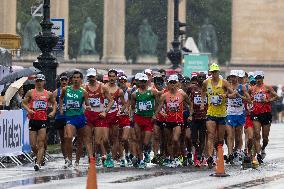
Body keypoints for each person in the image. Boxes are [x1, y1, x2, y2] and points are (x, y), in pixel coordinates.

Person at [201, 63, 234, 168]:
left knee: (220, 139)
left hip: (222, 114)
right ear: (210, 72)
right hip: (211, 113)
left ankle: (217, 153)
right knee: (210, 135)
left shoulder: (224, 82)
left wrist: (226, 95)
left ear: (218, 72)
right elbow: (202, 92)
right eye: (212, 72)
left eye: (216, 72)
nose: (214, 74)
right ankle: (210, 157)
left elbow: (233, 94)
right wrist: (202, 103)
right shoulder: (206, 82)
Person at [22, 74, 56, 171]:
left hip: (43, 120)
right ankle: (39, 157)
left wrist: (53, 111)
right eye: (37, 81)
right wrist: (28, 110)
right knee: (33, 145)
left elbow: (54, 103)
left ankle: (38, 163)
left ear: (44, 82)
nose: (39, 83)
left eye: (41, 81)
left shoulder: (48, 94)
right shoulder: (30, 92)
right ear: (35, 82)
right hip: (33, 120)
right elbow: (23, 103)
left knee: (41, 143)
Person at [155, 75, 191, 167]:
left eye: (174, 82)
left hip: (178, 120)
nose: (173, 85)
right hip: (167, 121)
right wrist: (158, 114)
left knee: (175, 139)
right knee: (169, 141)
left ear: (178, 83)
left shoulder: (182, 94)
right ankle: (171, 158)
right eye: (171, 83)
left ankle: (177, 157)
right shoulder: (164, 95)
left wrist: (190, 115)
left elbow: (191, 104)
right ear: (168, 84)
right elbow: (159, 107)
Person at [59, 70, 92, 168]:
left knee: (80, 141)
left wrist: (89, 107)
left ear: (81, 80)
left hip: (80, 117)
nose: (76, 79)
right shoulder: (66, 89)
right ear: (71, 79)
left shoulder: (84, 92)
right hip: (69, 117)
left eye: (78, 78)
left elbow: (87, 104)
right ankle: (69, 159)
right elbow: (61, 98)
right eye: (74, 77)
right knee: (68, 137)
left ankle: (77, 161)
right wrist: (61, 108)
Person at [83, 68, 114, 168]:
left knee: (100, 140)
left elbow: (111, 101)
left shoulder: (102, 87)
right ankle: (91, 159)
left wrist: (105, 111)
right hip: (88, 115)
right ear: (87, 77)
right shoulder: (84, 88)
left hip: (99, 115)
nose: (91, 78)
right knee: (88, 139)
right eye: (90, 77)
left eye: (93, 76)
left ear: (96, 76)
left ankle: (108, 154)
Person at [248, 71, 279, 164]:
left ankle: (263, 148)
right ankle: (258, 155)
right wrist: (250, 102)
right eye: (256, 78)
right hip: (256, 114)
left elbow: (277, 97)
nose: (258, 80)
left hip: (266, 114)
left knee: (265, 138)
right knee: (257, 135)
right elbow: (249, 98)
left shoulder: (268, 87)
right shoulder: (252, 89)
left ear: (262, 78)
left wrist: (268, 100)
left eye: (259, 78)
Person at [131, 74, 160, 169]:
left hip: (149, 119)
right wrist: (132, 116)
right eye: (141, 81)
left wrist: (155, 114)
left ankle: (145, 152)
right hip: (138, 118)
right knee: (138, 139)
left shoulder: (153, 92)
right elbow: (132, 106)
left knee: (146, 142)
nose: (143, 83)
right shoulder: (135, 94)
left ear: (147, 82)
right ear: (138, 82)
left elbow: (158, 104)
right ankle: (141, 160)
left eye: (144, 81)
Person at [225, 70, 250, 164]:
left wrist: (239, 95)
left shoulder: (242, 87)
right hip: (230, 113)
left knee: (238, 135)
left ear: (237, 77)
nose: (232, 78)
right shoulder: (227, 86)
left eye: (234, 76)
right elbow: (224, 95)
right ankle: (230, 154)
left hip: (240, 114)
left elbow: (248, 99)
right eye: (231, 76)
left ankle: (238, 151)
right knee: (230, 135)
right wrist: (227, 95)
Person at [188, 72, 208, 167]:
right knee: (193, 139)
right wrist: (190, 113)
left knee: (202, 138)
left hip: (205, 117)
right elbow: (189, 101)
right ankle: (198, 150)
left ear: (205, 78)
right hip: (195, 116)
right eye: (199, 77)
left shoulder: (209, 88)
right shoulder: (192, 88)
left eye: (202, 77)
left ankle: (200, 154)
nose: (201, 79)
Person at [53, 73, 68, 162]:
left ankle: (69, 156)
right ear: (60, 81)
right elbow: (51, 102)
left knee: (68, 137)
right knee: (62, 139)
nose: (64, 82)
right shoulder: (56, 92)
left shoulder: (71, 90)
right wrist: (55, 107)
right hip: (59, 117)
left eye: (65, 80)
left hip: (69, 116)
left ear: (68, 81)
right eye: (62, 80)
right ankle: (65, 158)